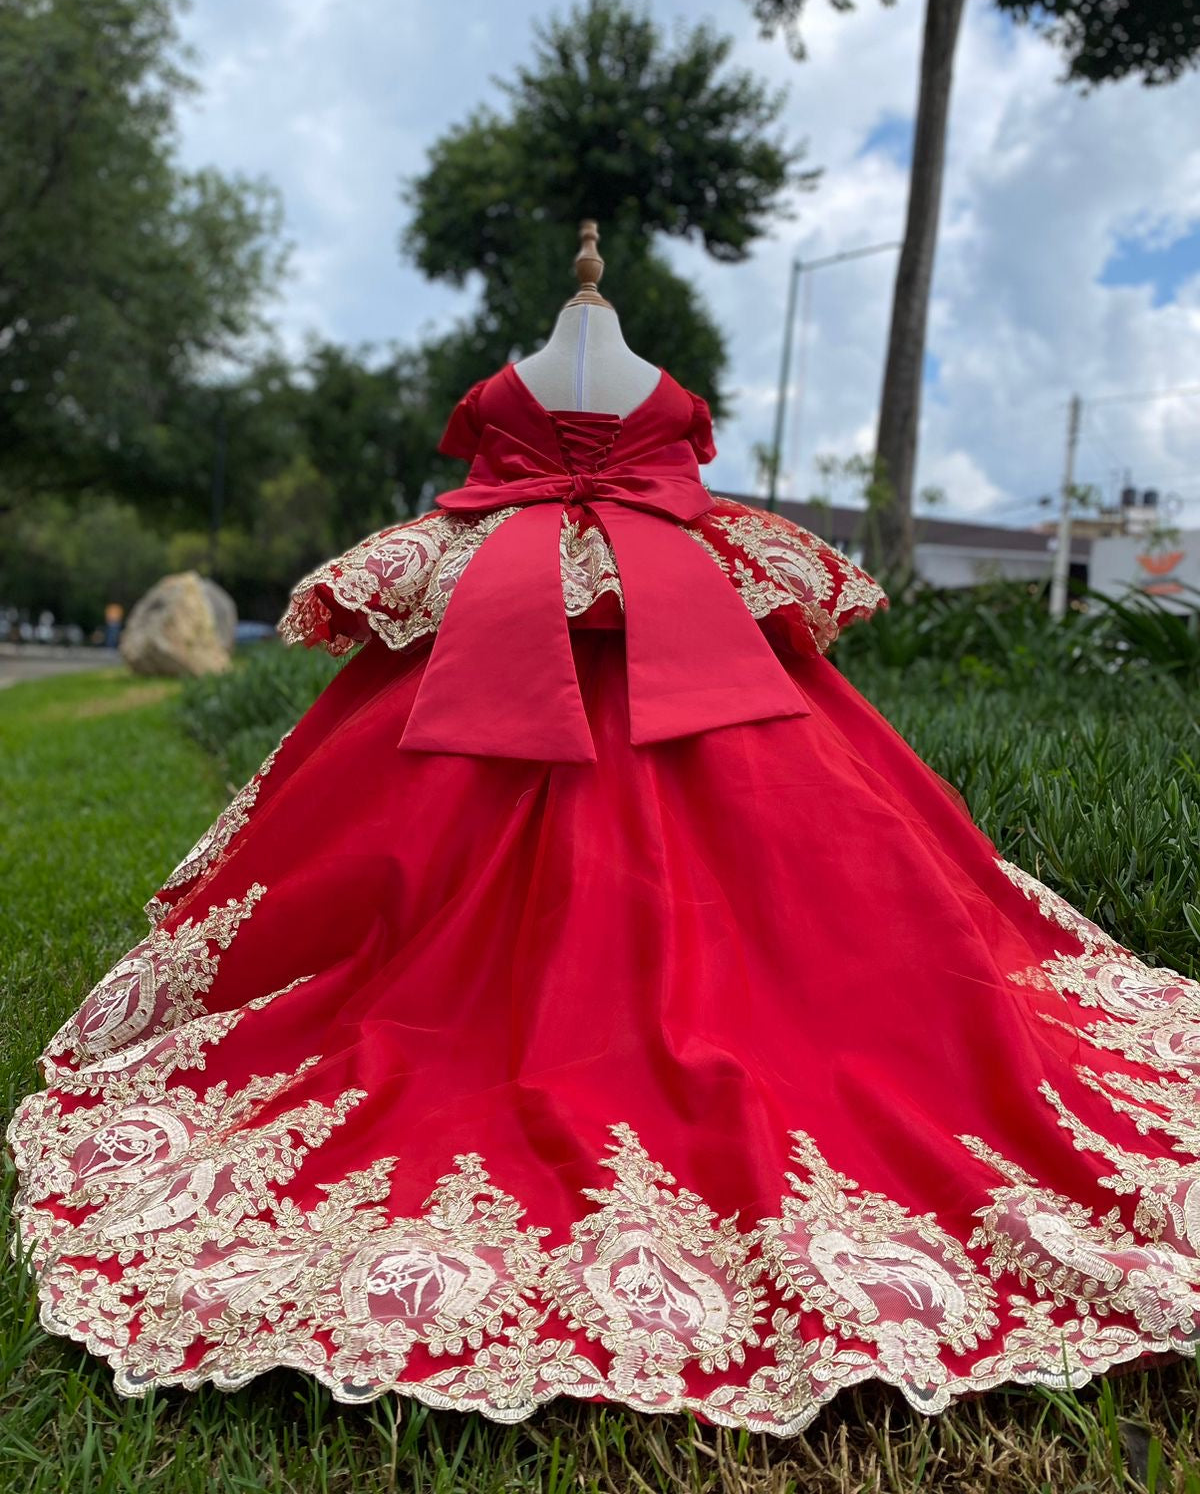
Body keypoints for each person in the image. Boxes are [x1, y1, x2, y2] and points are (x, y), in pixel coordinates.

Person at [8, 357, 1199, 1434]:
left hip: (673, 605)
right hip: (505, 607)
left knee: (812, 865)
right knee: (420, 882)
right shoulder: (608, 392)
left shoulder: (593, 396)